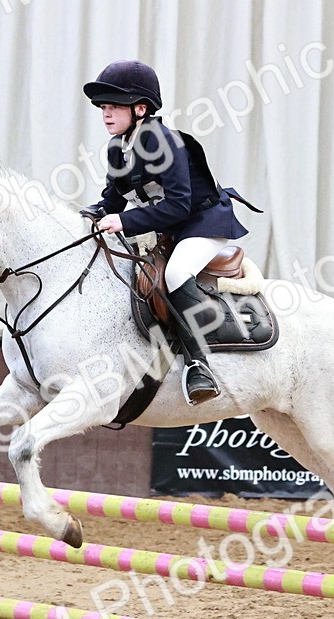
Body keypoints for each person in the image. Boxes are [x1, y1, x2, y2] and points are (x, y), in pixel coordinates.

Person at [80, 59, 255, 405]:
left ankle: (198, 366)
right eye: (103, 106)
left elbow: (178, 206)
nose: (105, 113)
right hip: (171, 228)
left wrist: (125, 222)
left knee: (174, 274)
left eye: (114, 105)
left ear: (141, 108)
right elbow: (112, 200)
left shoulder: (166, 143)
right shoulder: (117, 149)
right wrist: (91, 216)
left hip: (204, 222)